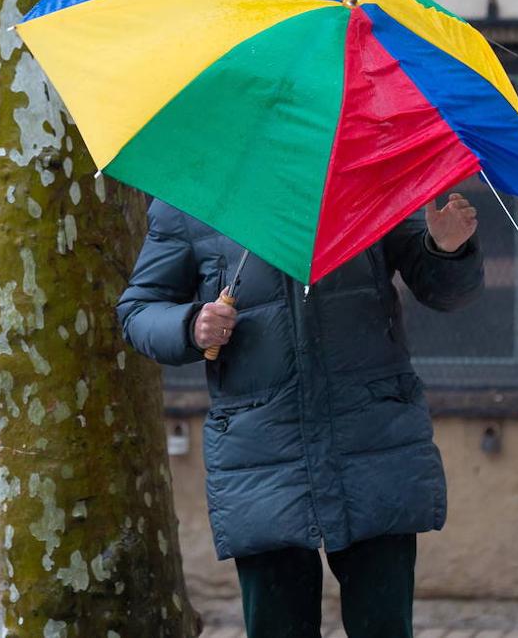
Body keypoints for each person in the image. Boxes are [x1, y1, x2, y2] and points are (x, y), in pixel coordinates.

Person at [117, 194, 484, 638]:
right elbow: (139, 310)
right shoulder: (191, 196)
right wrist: (191, 325)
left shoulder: (368, 176)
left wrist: (446, 249)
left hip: (372, 443)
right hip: (261, 457)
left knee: (384, 627)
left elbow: (443, 291)